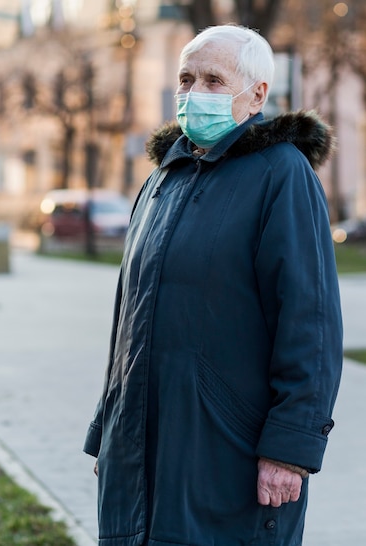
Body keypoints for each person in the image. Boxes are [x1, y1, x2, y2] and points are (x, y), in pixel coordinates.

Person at [83, 25, 343, 546]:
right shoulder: (163, 177)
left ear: (258, 95)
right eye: (186, 77)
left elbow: (309, 323)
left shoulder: (282, 174)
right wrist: (110, 433)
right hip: (140, 449)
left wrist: (290, 449)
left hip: (229, 453)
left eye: (213, 79)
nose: (194, 91)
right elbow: (129, 321)